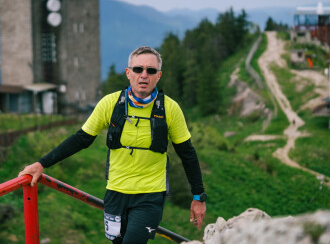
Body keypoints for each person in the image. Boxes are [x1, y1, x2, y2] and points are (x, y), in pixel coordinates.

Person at [19, 46, 206, 243]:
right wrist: (42, 163)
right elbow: (81, 138)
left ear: (158, 76)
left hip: (149, 195)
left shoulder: (170, 108)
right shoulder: (110, 103)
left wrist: (198, 197)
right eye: (138, 69)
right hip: (116, 193)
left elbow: (187, 153)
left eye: (151, 71)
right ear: (128, 73)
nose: (144, 75)